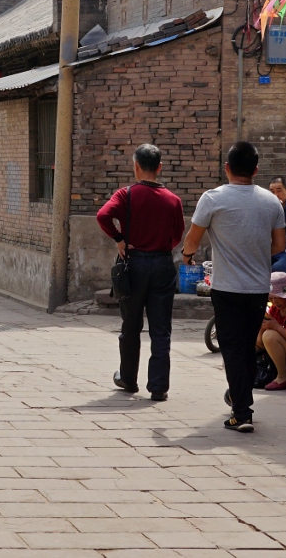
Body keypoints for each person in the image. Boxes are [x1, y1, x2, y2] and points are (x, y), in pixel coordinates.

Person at [182, 141, 286, 432]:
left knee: (232, 349)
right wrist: (255, 252)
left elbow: (192, 239)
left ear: (226, 168)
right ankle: (239, 398)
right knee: (247, 345)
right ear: (256, 170)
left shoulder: (212, 198)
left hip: (227, 288)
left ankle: (242, 413)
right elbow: (279, 245)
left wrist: (187, 255)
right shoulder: (271, 201)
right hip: (258, 288)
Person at [95, 143, 185, 400]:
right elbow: (177, 235)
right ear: (160, 167)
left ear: (136, 166)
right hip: (163, 265)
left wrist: (120, 239)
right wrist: (160, 246)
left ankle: (128, 379)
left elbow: (103, 216)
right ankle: (158, 387)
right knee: (161, 329)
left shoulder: (126, 195)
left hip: (133, 265)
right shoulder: (173, 200)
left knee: (131, 325)